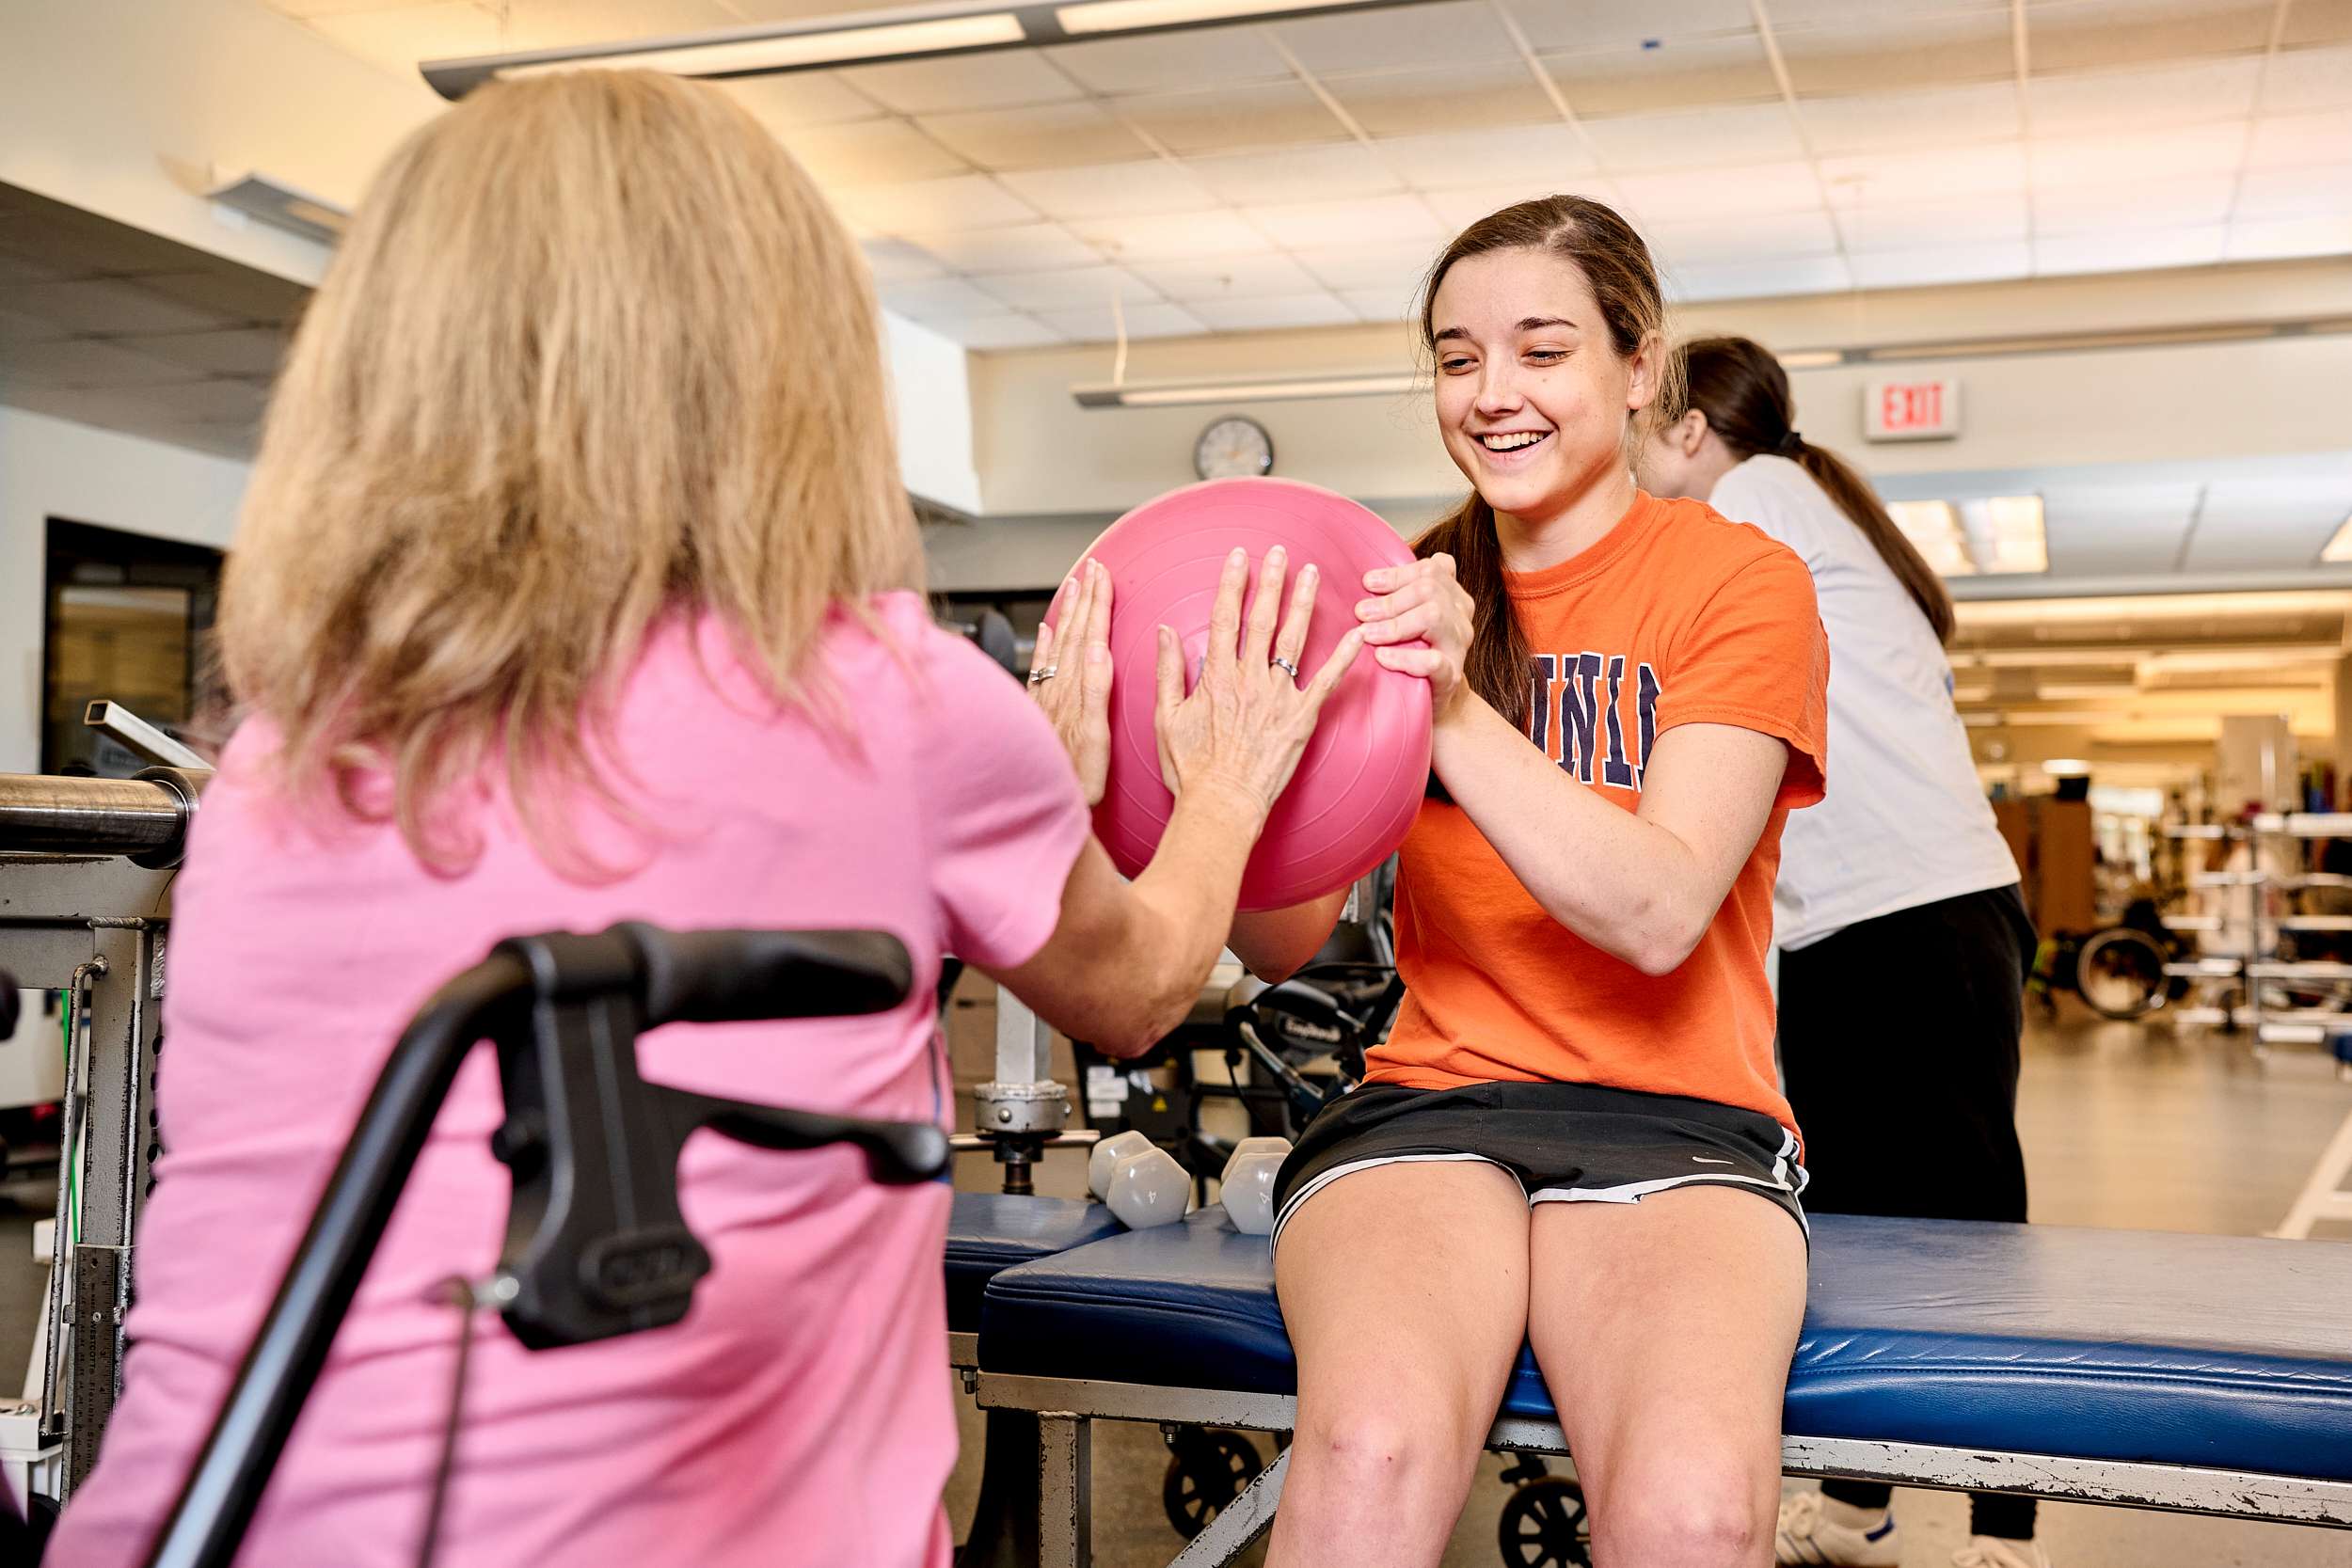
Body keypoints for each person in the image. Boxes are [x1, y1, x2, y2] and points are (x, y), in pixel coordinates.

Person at [49, 71, 1359, 1568]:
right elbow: (1135, 991)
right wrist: (1235, 778)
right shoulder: (893, 702)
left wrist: (1019, 793)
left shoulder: (290, 747)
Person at [1224, 194, 1830, 1568]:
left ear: (1637, 366)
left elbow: (1661, 911)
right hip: (1436, 1106)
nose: (1492, 395)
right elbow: (1278, 941)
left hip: (1681, 1119)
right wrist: (1235, 774)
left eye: (1541, 351)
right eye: (1455, 358)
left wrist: (1444, 708)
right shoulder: (1394, 591)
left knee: (1693, 1510)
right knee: (1368, 1450)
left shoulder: (1743, 580)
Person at [1640, 336, 2042, 1568]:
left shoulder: (1753, 495)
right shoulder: (1801, 506)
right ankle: (1864, 1511)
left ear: (1694, 428)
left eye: (1645, 427)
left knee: (1963, 1239)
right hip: (1869, 925)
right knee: (1853, 1228)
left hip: (1914, 918)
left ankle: (2003, 1535)